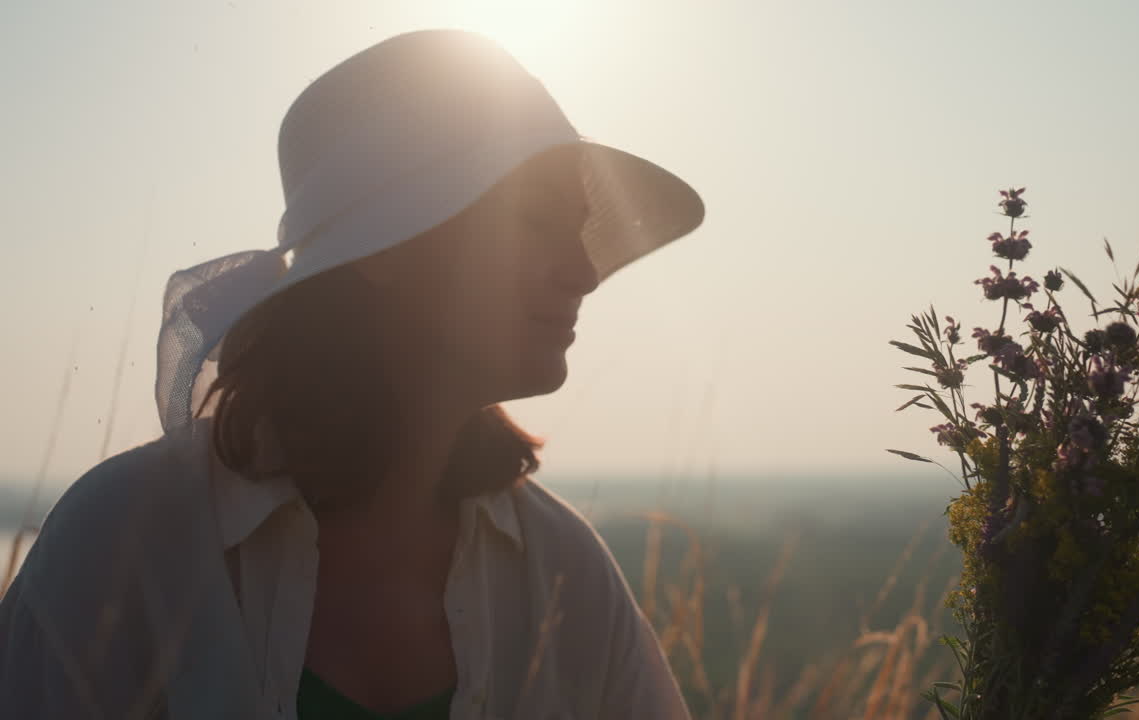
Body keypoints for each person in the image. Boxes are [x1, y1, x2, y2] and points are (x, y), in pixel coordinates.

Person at [0, 29, 704, 719]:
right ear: (382, 253)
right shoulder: (125, 544)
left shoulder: (565, 576)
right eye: (534, 221)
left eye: (578, 229)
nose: (583, 271)